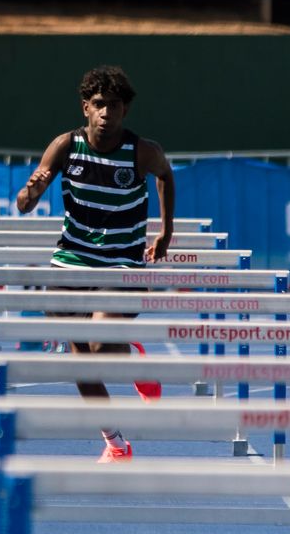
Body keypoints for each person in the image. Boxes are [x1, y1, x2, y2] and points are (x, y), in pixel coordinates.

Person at [16, 64, 175, 461]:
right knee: (80, 362)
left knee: (101, 343)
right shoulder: (65, 145)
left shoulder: (142, 151)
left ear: (125, 110)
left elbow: (166, 176)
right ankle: (116, 444)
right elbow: (25, 200)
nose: (106, 113)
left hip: (122, 262)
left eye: (114, 105)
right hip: (70, 261)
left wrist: (165, 232)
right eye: (99, 104)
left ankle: (133, 359)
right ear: (85, 107)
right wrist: (31, 192)